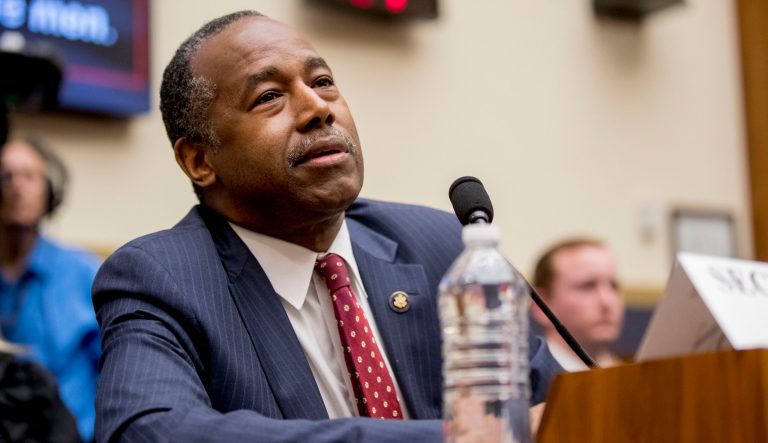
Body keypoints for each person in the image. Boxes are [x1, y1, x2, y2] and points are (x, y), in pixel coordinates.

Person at [93, 10, 561, 442]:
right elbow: (148, 430)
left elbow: (559, 409)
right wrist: (461, 437)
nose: (318, 108)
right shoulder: (162, 277)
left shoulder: (440, 246)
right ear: (199, 160)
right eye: (270, 97)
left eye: (323, 82)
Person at [0, 137, 101, 441]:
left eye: (29, 176)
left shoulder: (85, 273)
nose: (16, 188)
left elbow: (122, 373)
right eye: (5, 176)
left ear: (50, 193)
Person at [530, 238, 625, 371]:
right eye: (587, 286)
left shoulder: (635, 379)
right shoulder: (524, 381)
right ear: (542, 305)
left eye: (614, 286)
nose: (607, 301)